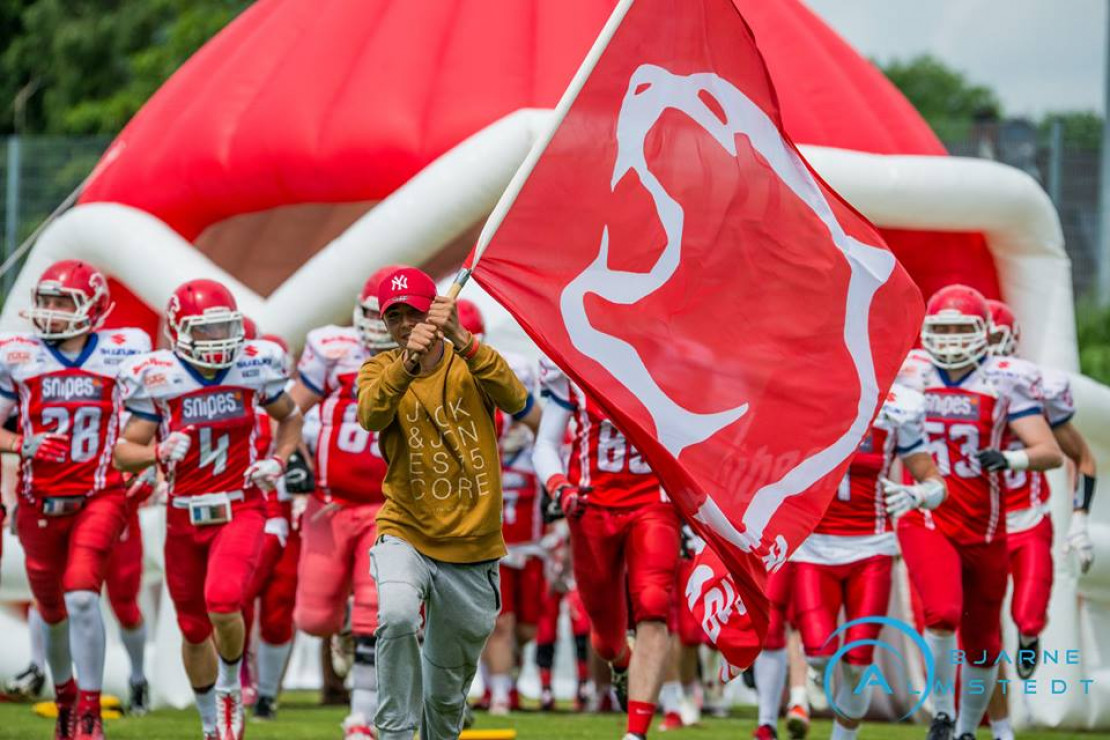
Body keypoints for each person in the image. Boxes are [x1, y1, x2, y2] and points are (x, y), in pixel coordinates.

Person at [113, 279, 302, 740]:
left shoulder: (253, 367)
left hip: (241, 506)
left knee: (222, 602)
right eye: (206, 331)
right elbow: (123, 453)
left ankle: (230, 689)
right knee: (194, 628)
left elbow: (290, 417)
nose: (218, 341)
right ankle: (207, 723)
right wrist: (158, 453)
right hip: (183, 513)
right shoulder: (160, 378)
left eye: (224, 329)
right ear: (179, 331)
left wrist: (278, 461)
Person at [357, 266, 530, 740]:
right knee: (394, 614)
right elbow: (371, 414)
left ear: (434, 312)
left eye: (413, 312)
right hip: (405, 528)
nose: (404, 324)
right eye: (394, 316)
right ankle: (392, 731)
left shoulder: (470, 360)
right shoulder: (378, 368)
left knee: (446, 696)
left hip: (472, 547)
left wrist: (464, 338)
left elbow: (516, 399)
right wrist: (406, 365)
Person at [895, 285, 1063, 740]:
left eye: (959, 328)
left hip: (985, 524)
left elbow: (1049, 451)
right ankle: (944, 716)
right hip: (926, 513)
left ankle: (969, 729)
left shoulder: (1004, 378)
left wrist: (1011, 459)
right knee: (944, 612)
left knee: (985, 643)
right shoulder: (908, 373)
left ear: (982, 333)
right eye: (941, 328)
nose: (949, 339)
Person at [0, 259, 151, 740]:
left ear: (94, 307)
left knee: (84, 595)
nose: (50, 311)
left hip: (98, 493)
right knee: (51, 610)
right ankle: (65, 699)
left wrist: (148, 460)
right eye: (45, 301)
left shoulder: (122, 351)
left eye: (62, 301)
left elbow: (150, 414)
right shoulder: (18, 354)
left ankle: (89, 709)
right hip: (38, 499)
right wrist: (17, 443)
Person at [532, 355, 680, 740]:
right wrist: (558, 486)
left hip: (653, 502)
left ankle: (636, 733)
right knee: (606, 638)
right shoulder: (575, 362)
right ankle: (624, 662)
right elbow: (545, 443)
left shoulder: (669, 362)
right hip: (591, 506)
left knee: (653, 605)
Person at [791, 384, 946, 740]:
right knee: (818, 652)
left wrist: (918, 494)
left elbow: (936, 483)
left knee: (859, 659)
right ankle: (812, 672)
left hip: (871, 547)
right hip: (815, 546)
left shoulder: (896, 408)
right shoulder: (806, 398)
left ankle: (843, 737)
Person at [289, 268, 396, 740]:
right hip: (329, 503)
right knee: (313, 619)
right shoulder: (332, 349)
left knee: (375, 608)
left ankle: (362, 717)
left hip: (389, 505)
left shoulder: (421, 356)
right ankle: (343, 632)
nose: (378, 325)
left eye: (389, 316)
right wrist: (293, 457)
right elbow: (287, 409)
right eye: (372, 314)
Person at [982, 299, 1096, 740]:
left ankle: (1028, 643)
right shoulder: (939, 389)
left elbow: (1083, 458)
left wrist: (1080, 522)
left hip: (1027, 519)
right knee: (976, 629)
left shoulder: (1029, 387)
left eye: (990, 338)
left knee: (1028, 619)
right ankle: (980, 719)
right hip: (977, 525)